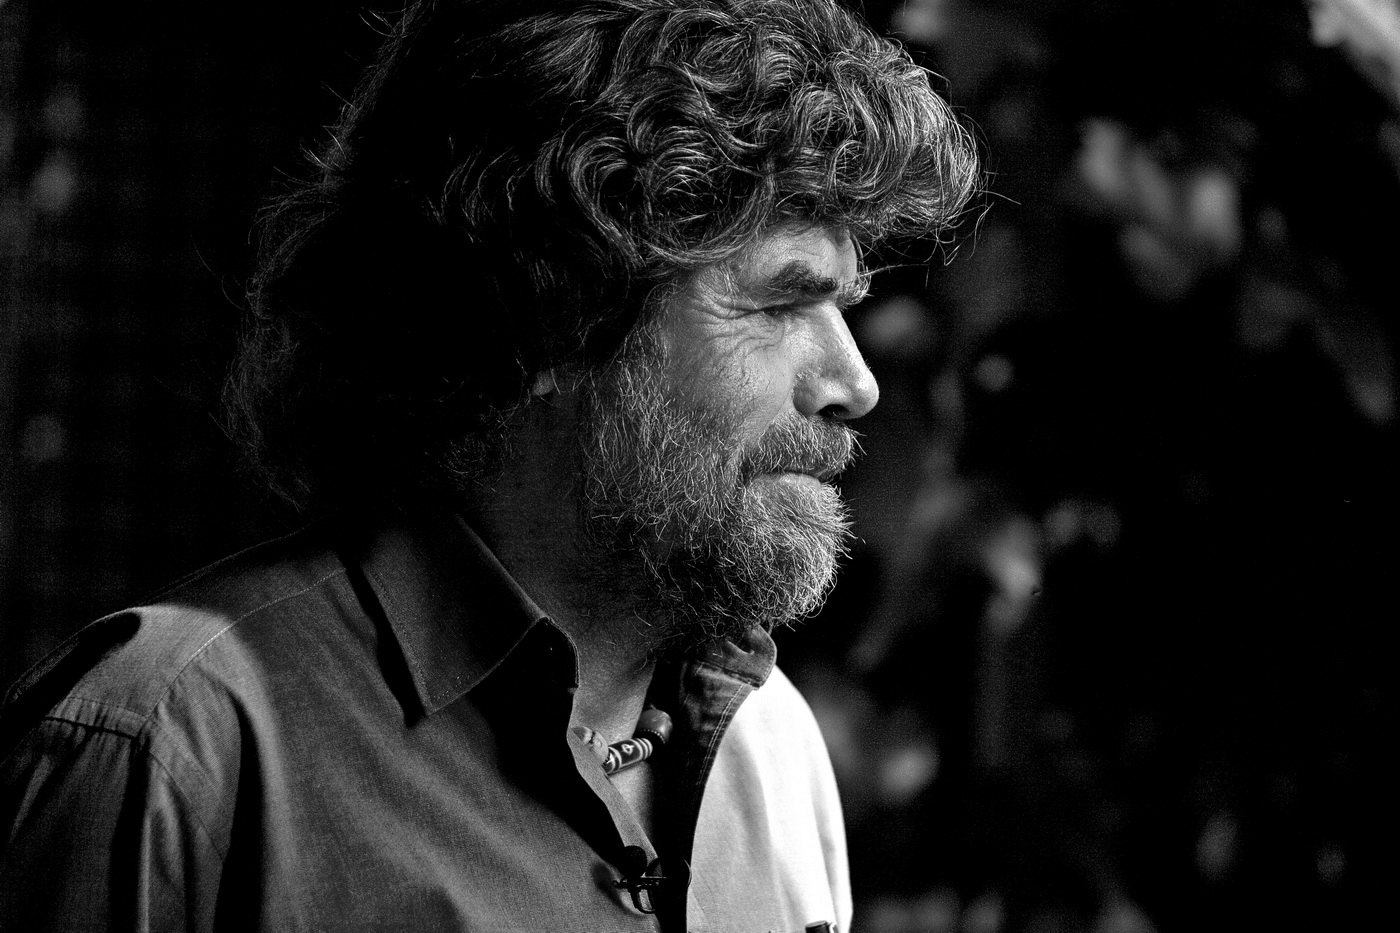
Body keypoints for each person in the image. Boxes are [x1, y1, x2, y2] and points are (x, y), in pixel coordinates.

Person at [0, 0, 977, 929]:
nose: (853, 382)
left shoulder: (774, 751)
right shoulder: (173, 748)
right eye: (778, 304)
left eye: (842, 305)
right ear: (547, 314)